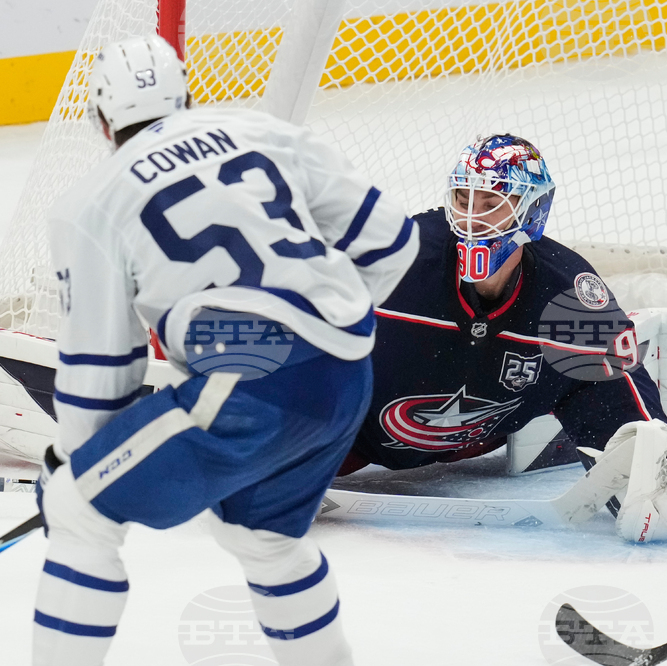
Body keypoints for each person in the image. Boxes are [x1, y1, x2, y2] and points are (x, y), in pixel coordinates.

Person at [33, 35, 418, 666]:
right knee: (263, 540)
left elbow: (103, 368)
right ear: (188, 95)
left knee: (79, 513)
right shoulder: (261, 130)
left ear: (101, 120)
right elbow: (394, 242)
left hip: (251, 379)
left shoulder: (90, 204)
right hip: (346, 373)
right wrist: (318, 323)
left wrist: (73, 465)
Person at [338, 134, 667, 542]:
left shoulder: (569, 295)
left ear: (533, 210)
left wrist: (654, 470)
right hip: (351, 438)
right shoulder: (394, 257)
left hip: (474, 441)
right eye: (463, 199)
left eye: (491, 203)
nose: (472, 218)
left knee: (656, 497)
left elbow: (623, 387)